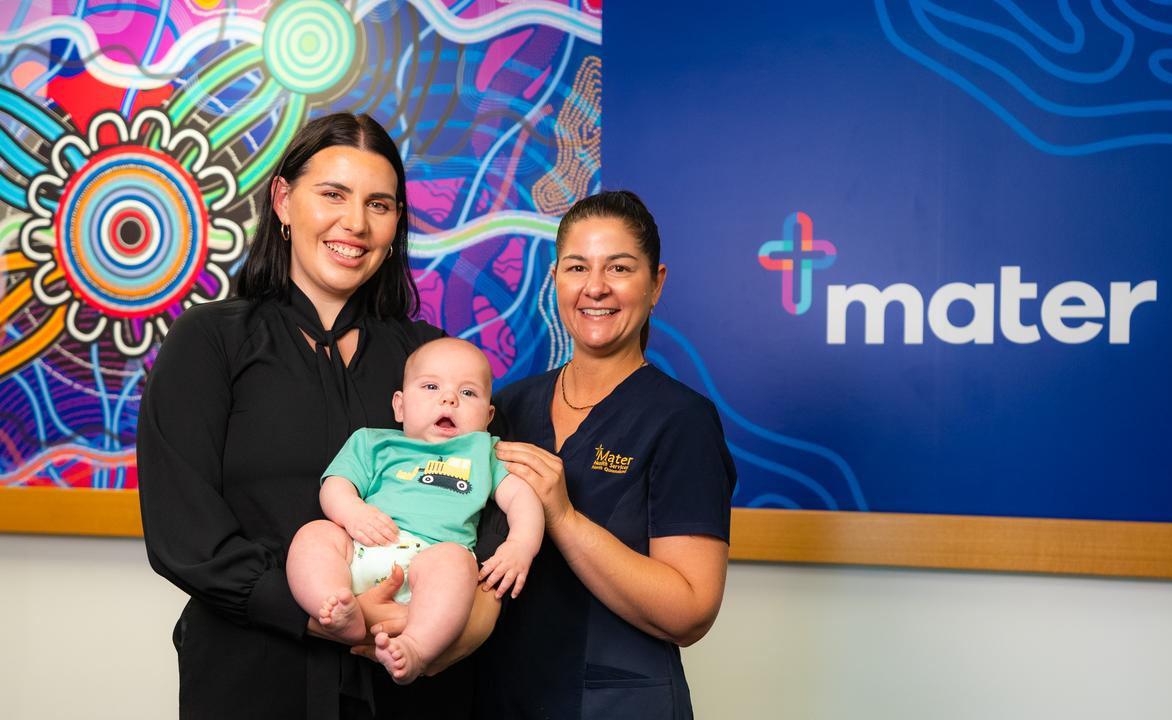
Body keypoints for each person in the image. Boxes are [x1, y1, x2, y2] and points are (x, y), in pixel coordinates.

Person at [138, 113, 502, 720]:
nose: (355, 224)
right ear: (283, 200)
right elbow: (185, 535)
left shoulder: (432, 362)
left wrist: (471, 618)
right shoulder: (210, 341)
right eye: (332, 194)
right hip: (251, 680)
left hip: (413, 683)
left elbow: (492, 491)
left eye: (379, 204)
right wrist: (325, 618)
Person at [475, 190, 737, 719]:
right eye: (577, 267)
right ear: (555, 281)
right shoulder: (505, 408)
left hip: (614, 703)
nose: (595, 287)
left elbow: (690, 611)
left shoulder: (681, 420)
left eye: (619, 267)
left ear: (656, 283)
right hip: (498, 695)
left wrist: (564, 518)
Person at [286, 338, 543, 684]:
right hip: (362, 549)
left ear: (488, 416)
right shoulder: (374, 443)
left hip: (432, 565)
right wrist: (353, 513)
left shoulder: (483, 452)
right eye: (432, 386)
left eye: (468, 393)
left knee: (457, 561)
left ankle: (415, 648)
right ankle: (334, 605)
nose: (449, 398)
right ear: (400, 406)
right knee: (315, 535)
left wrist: (520, 547)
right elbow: (335, 485)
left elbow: (523, 498)